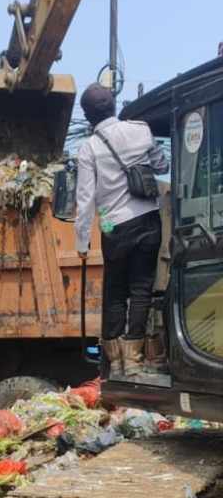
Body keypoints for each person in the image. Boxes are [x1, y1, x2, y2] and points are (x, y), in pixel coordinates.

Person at [75, 83, 168, 380]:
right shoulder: (141, 130)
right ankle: (135, 362)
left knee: (115, 292)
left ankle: (115, 365)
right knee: (141, 291)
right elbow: (162, 164)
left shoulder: (89, 148)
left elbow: (85, 199)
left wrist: (81, 241)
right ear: (114, 105)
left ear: (88, 117)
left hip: (113, 225)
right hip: (148, 218)